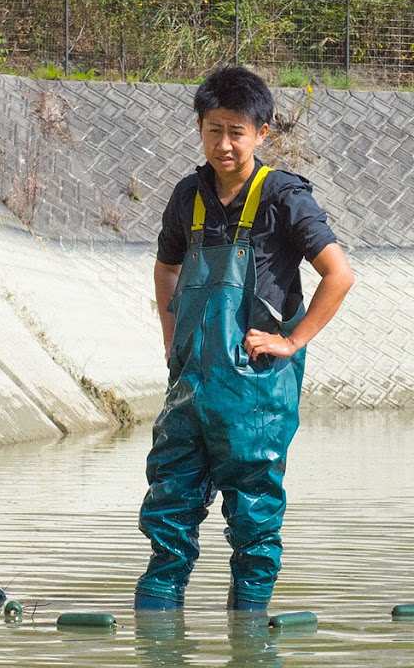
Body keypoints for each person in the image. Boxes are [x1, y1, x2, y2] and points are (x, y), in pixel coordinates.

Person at [135, 66, 354, 612]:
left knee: (254, 526)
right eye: (214, 129)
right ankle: (157, 632)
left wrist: (292, 341)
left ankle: (249, 635)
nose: (224, 143)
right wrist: (172, 338)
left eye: (236, 131)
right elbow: (166, 268)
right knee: (167, 517)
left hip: (257, 395)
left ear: (261, 132)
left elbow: (339, 274)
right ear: (200, 129)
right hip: (190, 391)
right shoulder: (188, 194)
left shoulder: (283, 195)